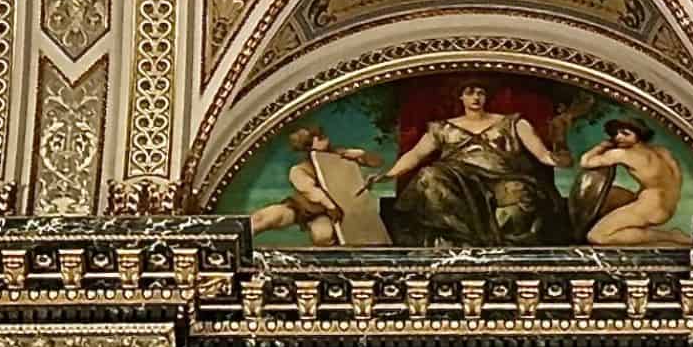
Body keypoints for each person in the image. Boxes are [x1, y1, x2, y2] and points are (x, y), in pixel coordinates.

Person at [373, 80, 572, 243]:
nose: (476, 97)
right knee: (429, 176)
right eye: (469, 93)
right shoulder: (442, 128)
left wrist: (561, 151)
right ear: (461, 97)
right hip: (458, 182)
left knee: (519, 193)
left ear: (486, 97)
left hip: (502, 179)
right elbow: (416, 155)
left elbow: (543, 155)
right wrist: (389, 175)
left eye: (480, 93)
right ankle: (460, 238)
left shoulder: (513, 123)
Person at [245, 126, 383, 244]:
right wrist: (330, 206)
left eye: (320, 137)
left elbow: (377, 162)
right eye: (312, 139)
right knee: (267, 217)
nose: (319, 140)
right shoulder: (299, 170)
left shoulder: (342, 158)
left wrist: (362, 155)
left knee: (323, 235)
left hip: (333, 213)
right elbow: (312, 192)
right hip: (306, 208)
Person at [576, 120, 683, 245]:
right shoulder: (663, 152)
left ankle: (670, 236)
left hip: (652, 207)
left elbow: (585, 161)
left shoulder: (622, 154)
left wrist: (601, 146)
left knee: (596, 236)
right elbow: (677, 178)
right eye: (615, 134)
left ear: (639, 134)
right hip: (669, 204)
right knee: (614, 194)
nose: (618, 137)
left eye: (625, 133)